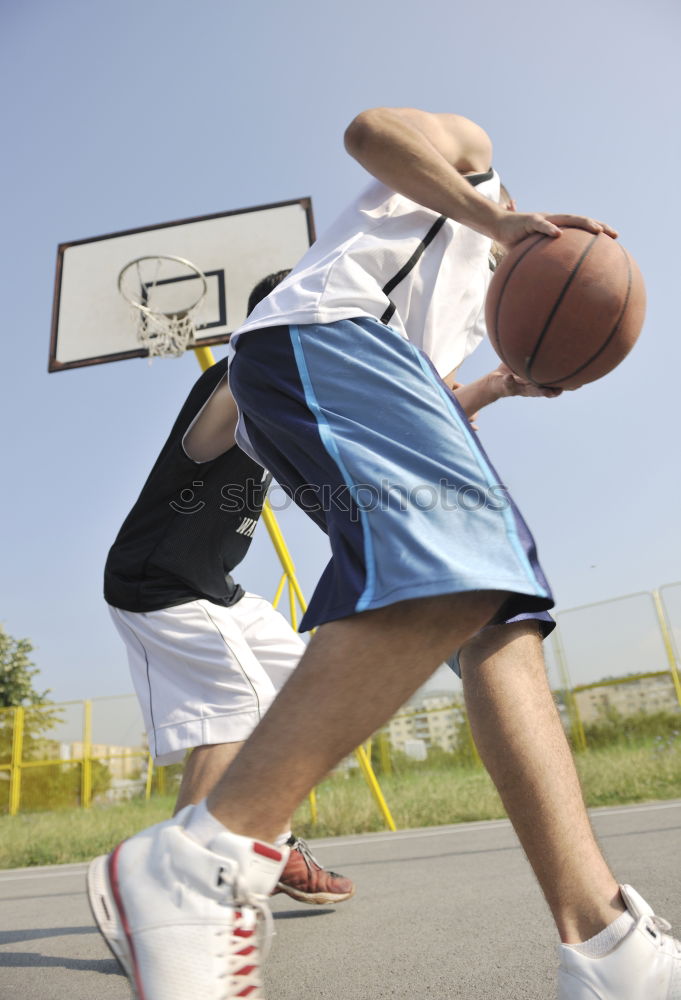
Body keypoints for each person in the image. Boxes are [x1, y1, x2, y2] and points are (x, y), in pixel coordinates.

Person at [88, 108, 680, 999]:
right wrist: (496, 219)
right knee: (460, 566)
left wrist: (499, 385)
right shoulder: (470, 175)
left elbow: (430, 399)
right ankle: (200, 860)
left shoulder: (467, 323)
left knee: (499, 618)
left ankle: (604, 945)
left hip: (360, 377)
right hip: (321, 337)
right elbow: (369, 130)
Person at [101, 270, 354, 906]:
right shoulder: (237, 379)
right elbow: (215, 429)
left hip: (214, 585)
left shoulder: (292, 407)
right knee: (238, 706)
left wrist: (489, 387)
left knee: (317, 687)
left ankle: (269, 836)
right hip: (158, 579)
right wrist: (278, 332)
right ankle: (165, 892)